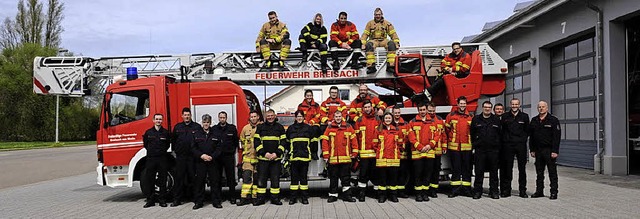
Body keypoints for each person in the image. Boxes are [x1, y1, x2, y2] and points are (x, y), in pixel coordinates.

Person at [321, 110, 358, 203]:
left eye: (339, 116)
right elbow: (325, 142)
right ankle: (333, 196)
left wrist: (354, 153)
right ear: (333, 118)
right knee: (333, 179)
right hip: (333, 159)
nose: (338, 118)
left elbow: (354, 141)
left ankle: (347, 195)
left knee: (346, 179)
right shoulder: (329, 128)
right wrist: (326, 154)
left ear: (342, 117)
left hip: (346, 159)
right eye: (336, 116)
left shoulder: (348, 127)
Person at [253, 109, 287, 206]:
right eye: (268, 116)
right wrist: (265, 154)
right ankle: (260, 199)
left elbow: (283, 142)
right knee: (261, 181)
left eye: (272, 115)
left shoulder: (280, 127)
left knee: (275, 180)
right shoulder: (260, 127)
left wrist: (277, 153)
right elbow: (257, 142)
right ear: (265, 117)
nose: (270, 117)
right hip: (263, 159)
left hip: (275, 159)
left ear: (275, 116)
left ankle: (275, 198)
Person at [529, 101, 561, 200]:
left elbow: (557, 137)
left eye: (543, 107)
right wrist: (532, 150)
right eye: (539, 107)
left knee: (552, 172)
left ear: (547, 108)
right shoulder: (534, 120)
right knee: (539, 173)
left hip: (549, 150)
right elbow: (531, 137)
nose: (541, 108)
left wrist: (555, 151)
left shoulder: (553, 120)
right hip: (538, 151)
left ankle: (553, 192)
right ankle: (539, 191)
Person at [470, 101, 502, 199]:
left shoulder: (496, 120)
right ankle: (477, 192)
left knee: (494, 172)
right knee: (479, 172)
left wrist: (497, 147)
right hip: (480, 150)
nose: (487, 109)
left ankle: (494, 192)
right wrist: (475, 145)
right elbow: (472, 133)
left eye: (489, 107)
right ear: (482, 108)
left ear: (491, 108)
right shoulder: (476, 119)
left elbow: (500, 134)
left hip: (493, 150)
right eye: (485, 107)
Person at [408, 102, 439, 202]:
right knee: (418, 175)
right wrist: (421, 147)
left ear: (426, 110)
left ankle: (425, 194)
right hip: (418, 153)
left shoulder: (433, 122)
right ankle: (418, 194)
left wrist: (430, 145)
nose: (422, 111)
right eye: (420, 110)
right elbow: (411, 138)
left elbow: (437, 135)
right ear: (418, 110)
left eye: (424, 110)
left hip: (429, 152)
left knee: (427, 174)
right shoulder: (412, 122)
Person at [171, 108, 201, 207]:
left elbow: (200, 141)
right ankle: (177, 200)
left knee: (194, 179)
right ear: (182, 116)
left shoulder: (197, 127)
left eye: (188, 115)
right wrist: (176, 152)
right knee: (179, 179)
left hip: (193, 158)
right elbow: (173, 141)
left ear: (190, 115)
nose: (187, 117)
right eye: (185, 115)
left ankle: (196, 199)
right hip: (181, 157)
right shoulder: (177, 127)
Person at [500, 98, 530, 198]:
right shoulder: (505, 116)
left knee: (522, 169)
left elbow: (527, 131)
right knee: (508, 169)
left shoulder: (524, 117)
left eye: (516, 104)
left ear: (519, 105)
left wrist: (522, 139)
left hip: (520, 145)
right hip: (508, 145)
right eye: (512, 104)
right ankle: (507, 190)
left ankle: (522, 191)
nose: (514, 106)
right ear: (510, 105)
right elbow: (502, 130)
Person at [191, 114, 222, 209]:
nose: (206, 124)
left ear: (210, 123)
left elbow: (219, 148)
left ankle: (216, 202)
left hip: (212, 162)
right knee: (199, 182)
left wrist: (212, 157)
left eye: (208, 122)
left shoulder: (216, 134)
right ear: (202, 123)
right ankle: (199, 202)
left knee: (214, 182)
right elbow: (193, 148)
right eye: (204, 122)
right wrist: (201, 155)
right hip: (200, 162)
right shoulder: (196, 134)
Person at [445, 96, 474, 198]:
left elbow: (474, 132)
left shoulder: (471, 116)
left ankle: (467, 190)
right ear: (457, 104)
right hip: (454, 147)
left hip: (467, 147)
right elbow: (447, 130)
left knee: (467, 169)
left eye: (464, 103)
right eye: (461, 103)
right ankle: (455, 190)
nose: (462, 105)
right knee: (455, 169)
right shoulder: (451, 116)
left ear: (466, 104)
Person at [142, 114, 171, 208]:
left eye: (160, 119)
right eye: (157, 119)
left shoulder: (165, 133)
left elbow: (167, 145)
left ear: (162, 121)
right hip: (151, 158)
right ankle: (150, 200)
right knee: (150, 179)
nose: (158, 121)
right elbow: (145, 144)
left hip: (162, 158)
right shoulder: (148, 132)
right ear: (153, 120)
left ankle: (162, 200)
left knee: (162, 180)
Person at [374, 112, 404, 203]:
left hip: (394, 158)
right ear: (383, 119)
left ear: (392, 119)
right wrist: (379, 151)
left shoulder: (396, 130)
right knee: (382, 179)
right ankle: (382, 196)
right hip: (382, 158)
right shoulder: (378, 130)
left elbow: (400, 143)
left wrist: (397, 151)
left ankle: (393, 195)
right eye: (386, 118)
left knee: (393, 179)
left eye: (389, 118)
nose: (388, 120)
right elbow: (374, 144)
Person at [211, 111, 240, 205]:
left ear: (226, 118)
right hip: (217, 157)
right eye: (220, 117)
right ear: (218, 118)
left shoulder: (232, 128)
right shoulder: (214, 129)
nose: (222, 119)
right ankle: (219, 198)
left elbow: (236, 142)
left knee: (231, 178)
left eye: (224, 117)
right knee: (217, 178)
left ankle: (232, 197)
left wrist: (231, 151)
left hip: (228, 156)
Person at [286, 110, 314, 205]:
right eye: (297, 116)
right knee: (294, 179)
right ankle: (293, 198)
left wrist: (313, 152)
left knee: (303, 179)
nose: (299, 118)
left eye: (301, 116)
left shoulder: (308, 128)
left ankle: (304, 197)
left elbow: (313, 141)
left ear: (303, 117)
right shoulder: (291, 128)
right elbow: (286, 141)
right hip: (294, 157)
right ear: (295, 118)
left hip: (305, 157)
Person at [354, 100, 380, 202]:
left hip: (375, 153)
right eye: (365, 107)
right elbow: (355, 137)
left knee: (375, 174)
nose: (367, 109)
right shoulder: (359, 120)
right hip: (364, 153)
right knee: (363, 175)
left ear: (372, 107)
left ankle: (376, 192)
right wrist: (357, 152)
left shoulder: (378, 119)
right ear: (363, 109)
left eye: (369, 107)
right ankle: (362, 193)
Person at [361, 8, 400, 74]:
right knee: (369, 45)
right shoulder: (370, 23)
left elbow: (393, 34)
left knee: (391, 44)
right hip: (373, 41)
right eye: (376, 15)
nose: (377, 16)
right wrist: (363, 43)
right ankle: (371, 67)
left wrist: (396, 43)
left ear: (382, 14)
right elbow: (365, 34)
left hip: (383, 41)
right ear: (374, 15)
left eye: (379, 14)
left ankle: (390, 66)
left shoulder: (387, 24)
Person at [238, 111, 260, 206]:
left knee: (256, 180)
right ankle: (244, 198)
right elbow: (241, 141)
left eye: (255, 116)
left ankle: (254, 198)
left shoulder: (261, 128)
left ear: (258, 117)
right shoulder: (245, 129)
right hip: (247, 158)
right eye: (252, 117)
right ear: (249, 118)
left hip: (258, 158)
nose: (253, 118)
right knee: (246, 179)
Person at [427, 102, 447, 198]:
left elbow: (443, 135)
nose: (431, 112)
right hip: (428, 151)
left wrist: (444, 147)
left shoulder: (439, 120)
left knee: (436, 171)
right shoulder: (425, 120)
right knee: (428, 171)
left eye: (433, 111)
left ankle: (433, 190)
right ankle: (427, 189)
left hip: (437, 151)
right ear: (427, 110)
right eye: (430, 111)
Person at [297, 89, 322, 160]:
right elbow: (299, 115)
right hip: (303, 124)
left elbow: (318, 116)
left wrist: (311, 122)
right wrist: (305, 122)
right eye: (307, 96)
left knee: (314, 133)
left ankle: (314, 152)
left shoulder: (316, 106)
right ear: (305, 96)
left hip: (313, 125)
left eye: (310, 95)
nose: (309, 97)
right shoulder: (301, 106)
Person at [392, 106, 411, 198]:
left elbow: (409, 137)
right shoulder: (388, 124)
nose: (397, 114)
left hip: (403, 154)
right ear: (392, 113)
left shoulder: (405, 124)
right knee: (393, 174)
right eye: (395, 113)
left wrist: (404, 145)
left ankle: (401, 191)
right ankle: (393, 192)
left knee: (402, 173)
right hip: (392, 154)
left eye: (398, 112)